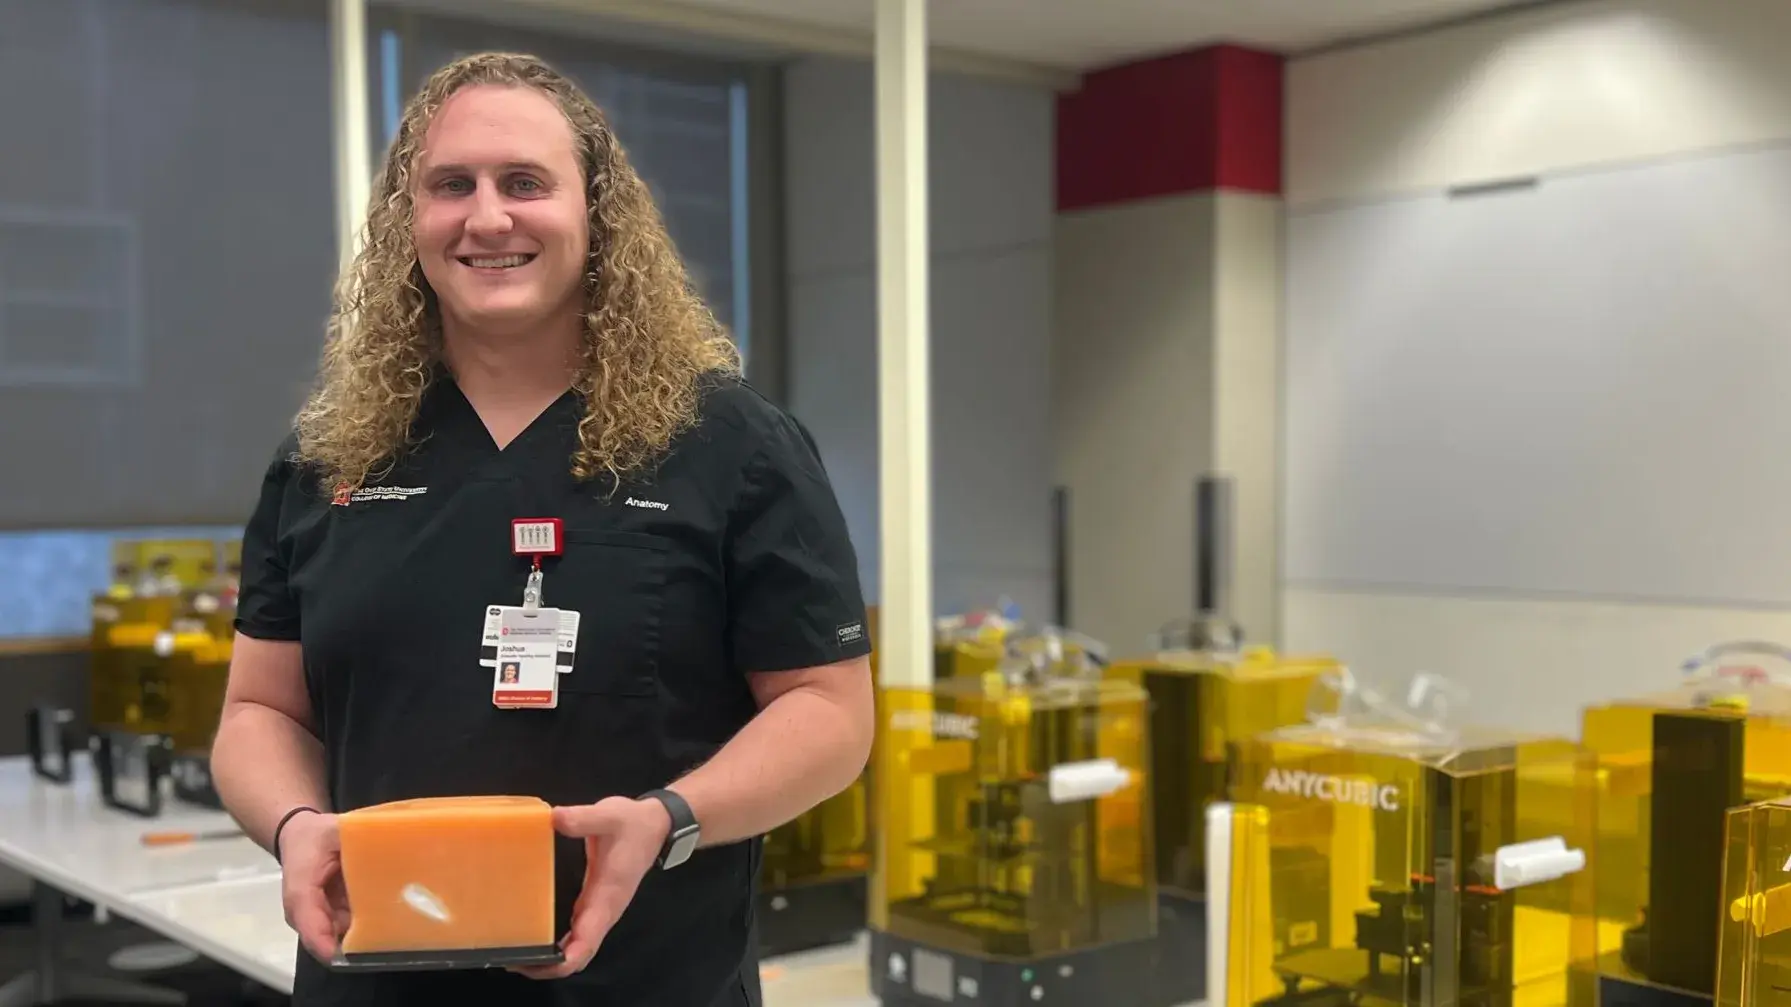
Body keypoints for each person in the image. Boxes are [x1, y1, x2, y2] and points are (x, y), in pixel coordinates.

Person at [209, 51, 875, 1006]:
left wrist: (669, 817)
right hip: (376, 980)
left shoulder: (731, 444)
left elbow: (831, 713)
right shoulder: (328, 458)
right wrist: (294, 822)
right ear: (409, 222)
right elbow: (259, 711)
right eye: (450, 187)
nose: (487, 218)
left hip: (649, 982)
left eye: (525, 182)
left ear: (596, 216)